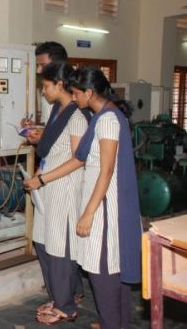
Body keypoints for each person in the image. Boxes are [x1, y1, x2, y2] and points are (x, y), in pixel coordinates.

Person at [24, 66, 142, 329]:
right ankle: (114, 322)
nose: (74, 98)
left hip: (104, 208)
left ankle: (112, 322)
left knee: (103, 275)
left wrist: (88, 213)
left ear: (90, 92)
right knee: (110, 275)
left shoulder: (109, 120)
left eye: (77, 93)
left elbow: (107, 169)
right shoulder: (103, 116)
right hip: (97, 202)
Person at [23, 62, 90, 325]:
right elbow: (50, 148)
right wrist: (39, 172)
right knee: (42, 241)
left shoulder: (76, 117)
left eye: (46, 86)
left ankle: (66, 307)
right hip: (47, 186)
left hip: (64, 187)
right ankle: (59, 295)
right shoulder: (57, 111)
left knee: (60, 246)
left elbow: (78, 159)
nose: (44, 92)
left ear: (60, 85)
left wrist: (43, 178)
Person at [23, 41, 68, 144]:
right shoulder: (46, 92)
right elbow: (50, 125)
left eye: (42, 65)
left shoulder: (75, 96)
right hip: (49, 155)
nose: (38, 70)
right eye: (38, 65)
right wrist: (35, 127)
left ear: (58, 64)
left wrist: (44, 137)